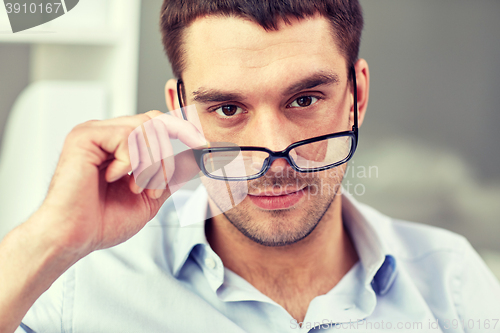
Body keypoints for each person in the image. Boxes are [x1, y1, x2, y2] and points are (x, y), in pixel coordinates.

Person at [1, 1, 499, 332]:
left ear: (357, 96)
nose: (274, 154)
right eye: (227, 109)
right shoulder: (76, 285)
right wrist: (48, 238)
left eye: (304, 99)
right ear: (180, 110)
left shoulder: (451, 284)